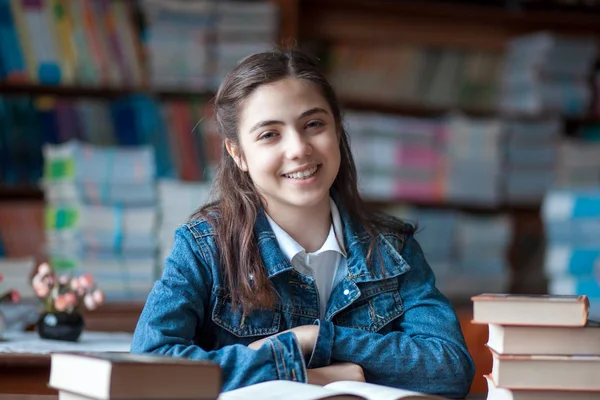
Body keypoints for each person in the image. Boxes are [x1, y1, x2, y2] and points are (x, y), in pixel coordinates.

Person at [131, 49, 475, 398]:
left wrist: (314, 337)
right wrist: (305, 374)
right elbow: (151, 364)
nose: (298, 149)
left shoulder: (391, 246)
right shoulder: (203, 247)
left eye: (313, 125)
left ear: (337, 129)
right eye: (269, 134)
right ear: (238, 154)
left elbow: (449, 370)